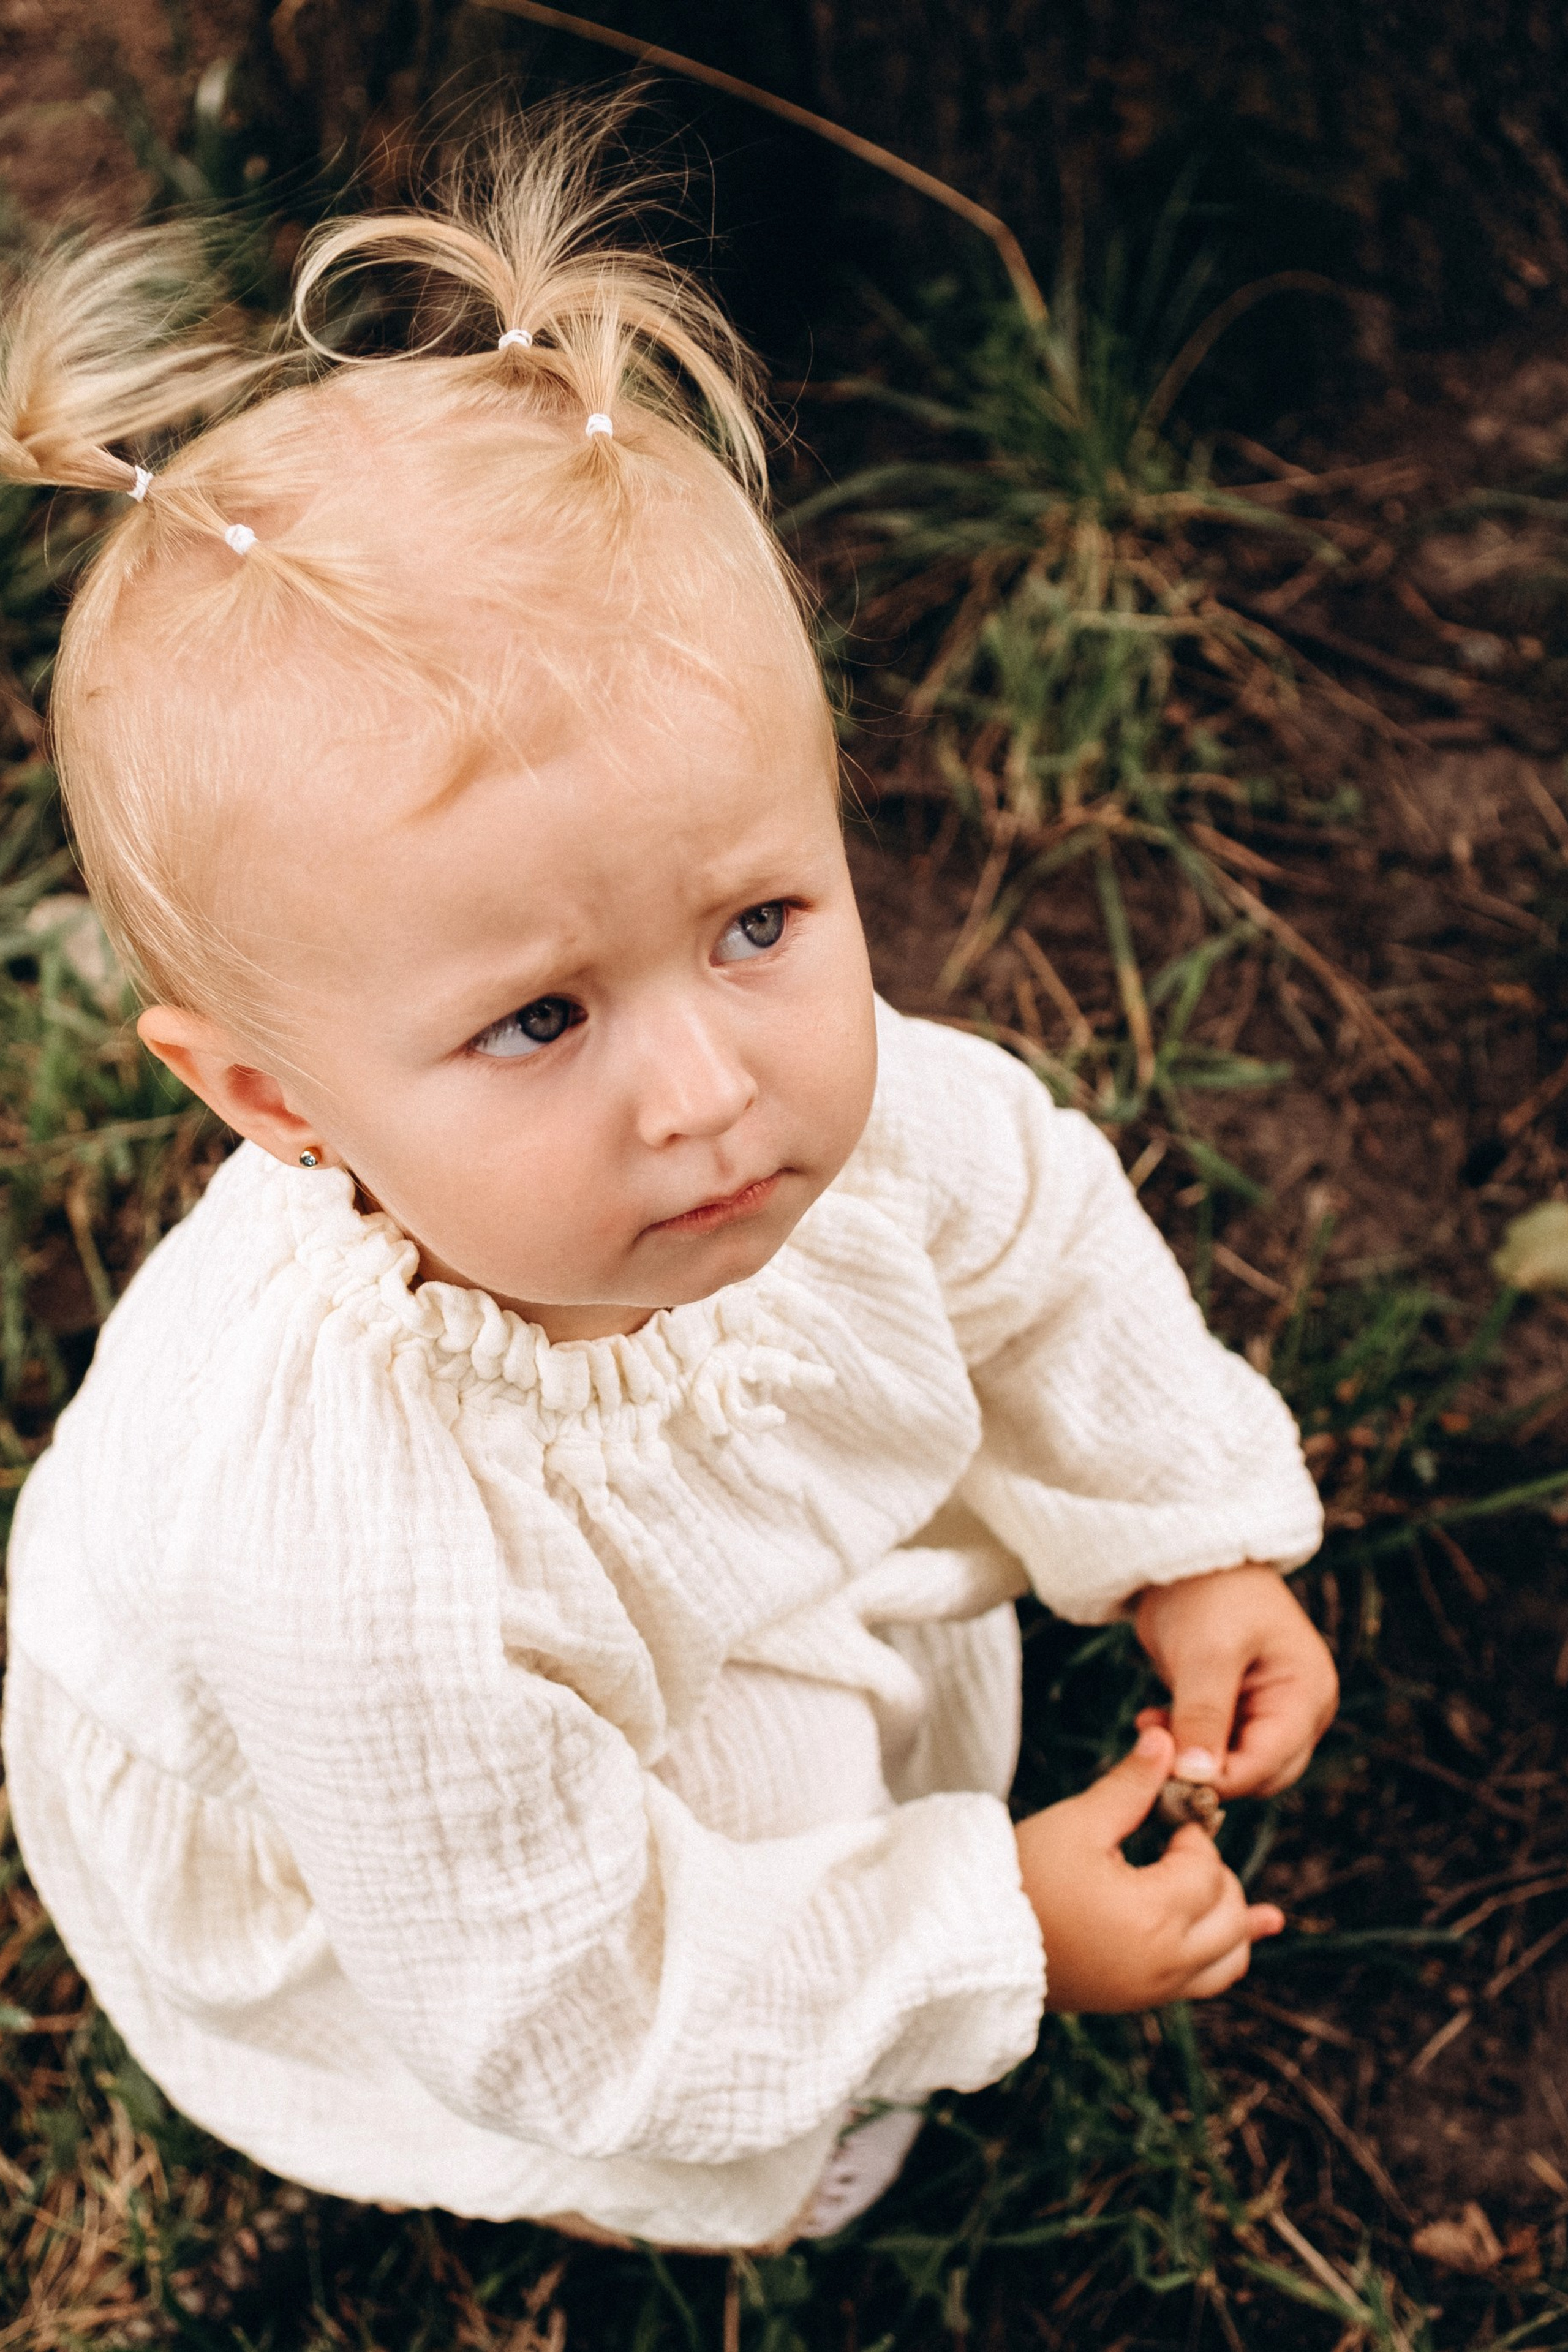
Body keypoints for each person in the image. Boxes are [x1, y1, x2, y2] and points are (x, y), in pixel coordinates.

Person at [0, 102, 1335, 2252]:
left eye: (757, 923)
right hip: (418, 1859)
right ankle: (742, 2096)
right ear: (272, 1097)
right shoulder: (350, 1554)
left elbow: (1043, 1264)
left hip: (606, 1649)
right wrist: (989, 1927)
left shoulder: (850, 1119)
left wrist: (1192, 1548)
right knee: (720, 1967)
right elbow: (547, 1992)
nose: (711, 1090)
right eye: (541, 1021)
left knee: (829, 1681)